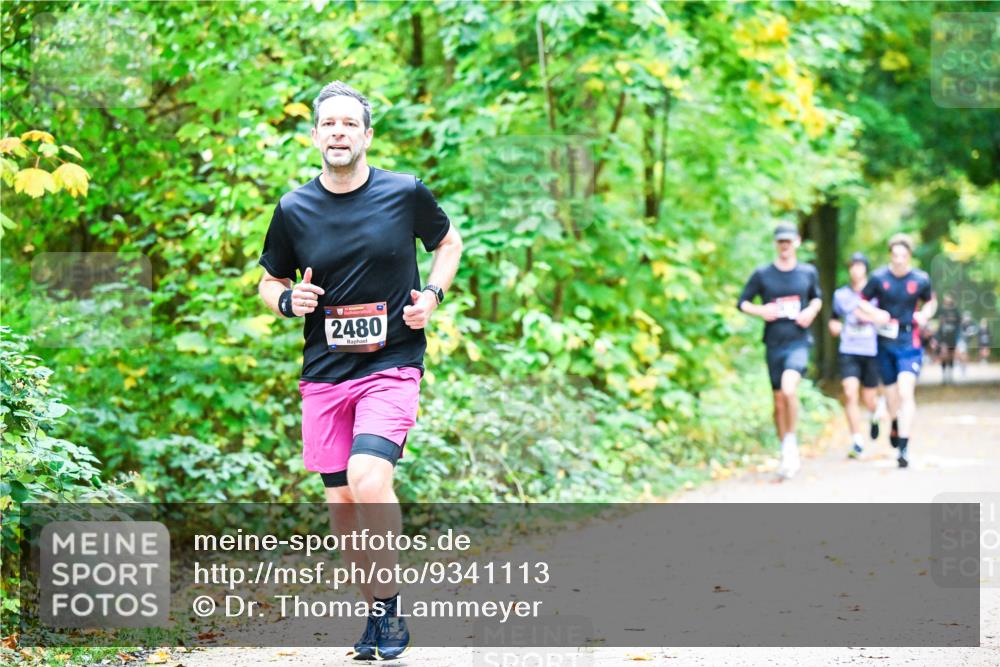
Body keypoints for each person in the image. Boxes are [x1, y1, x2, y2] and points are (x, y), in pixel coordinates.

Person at [257, 81, 463, 659]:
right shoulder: (293, 208)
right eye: (330, 124)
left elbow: (450, 243)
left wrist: (433, 295)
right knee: (342, 505)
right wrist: (284, 302)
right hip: (324, 372)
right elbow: (268, 281)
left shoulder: (404, 193)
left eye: (350, 124)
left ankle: (391, 608)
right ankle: (374, 611)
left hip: (393, 362)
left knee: (368, 478)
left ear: (367, 136)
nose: (339, 132)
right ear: (315, 135)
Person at [738, 222, 822, 479]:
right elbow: (742, 302)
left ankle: (792, 443)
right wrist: (761, 310)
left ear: (796, 242)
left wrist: (811, 311)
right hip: (774, 342)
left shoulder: (807, 272)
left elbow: (817, 297)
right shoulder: (763, 274)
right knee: (777, 401)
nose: (785, 246)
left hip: (798, 341)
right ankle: (785, 448)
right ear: (776, 244)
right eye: (780, 241)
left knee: (789, 389)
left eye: (789, 241)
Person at [858, 233, 936, 468]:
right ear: (890, 256)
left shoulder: (920, 279)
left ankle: (904, 447)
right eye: (895, 255)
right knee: (891, 396)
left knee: (905, 391)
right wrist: (875, 313)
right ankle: (893, 422)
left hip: (908, 341)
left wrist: (925, 314)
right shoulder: (879, 278)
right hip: (885, 342)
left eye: (903, 256)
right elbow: (861, 300)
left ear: (909, 256)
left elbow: (931, 301)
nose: (899, 260)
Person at [829, 252, 882, 459]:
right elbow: (834, 319)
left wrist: (868, 315)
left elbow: (885, 317)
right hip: (849, 349)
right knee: (850, 393)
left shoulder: (877, 293)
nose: (855, 270)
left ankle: (875, 413)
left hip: (872, 350)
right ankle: (857, 440)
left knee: (869, 398)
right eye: (851, 266)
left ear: (865, 269)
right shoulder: (840, 295)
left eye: (859, 266)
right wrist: (834, 327)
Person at [936, 294, 960, 384]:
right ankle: (944, 376)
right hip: (943, 338)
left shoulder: (956, 312)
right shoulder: (941, 311)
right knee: (944, 355)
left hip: (952, 337)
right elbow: (938, 324)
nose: (947, 301)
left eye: (948, 299)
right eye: (945, 299)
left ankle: (950, 375)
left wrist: (958, 337)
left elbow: (959, 325)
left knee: (951, 356)